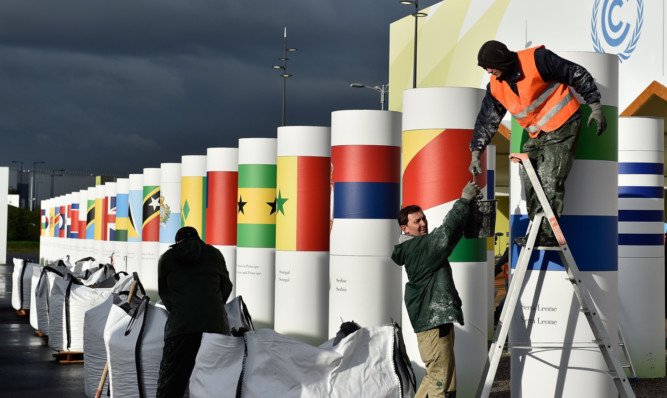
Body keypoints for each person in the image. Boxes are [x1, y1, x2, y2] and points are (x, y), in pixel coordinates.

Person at [469, 40, 607, 247]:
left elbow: (576, 73)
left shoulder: (537, 60)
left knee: (550, 178)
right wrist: (475, 153)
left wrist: (595, 105)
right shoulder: (496, 87)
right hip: (538, 134)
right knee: (531, 178)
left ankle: (549, 234)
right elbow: (487, 120)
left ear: (502, 61)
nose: (489, 71)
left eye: (490, 66)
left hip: (564, 123)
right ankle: (537, 230)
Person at [391, 181, 481, 398]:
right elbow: (446, 235)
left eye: (423, 218)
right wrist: (463, 201)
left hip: (435, 323)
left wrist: (467, 210)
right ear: (405, 229)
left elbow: (449, 237)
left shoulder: (420, 246)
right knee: (441, 384)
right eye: (417, 221)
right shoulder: (417, 248)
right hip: (433, 323)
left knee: (438, 380)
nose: (423, 223)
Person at [156, 226, 233, 398]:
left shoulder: (166, 259)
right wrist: (214, 307)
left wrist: (179, 311)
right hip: (215, 326)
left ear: (177, 242)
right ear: (198, 239)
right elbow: (226, 286)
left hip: (180, 328)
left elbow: (164, 293)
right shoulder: (214, 254)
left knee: (171, 383)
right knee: (216, 381)